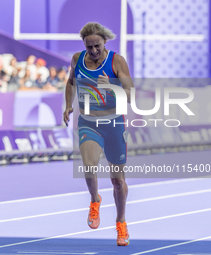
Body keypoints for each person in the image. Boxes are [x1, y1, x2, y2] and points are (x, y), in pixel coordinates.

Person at [63, 22, 134, 246]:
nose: (93, 51)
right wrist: (68, 105)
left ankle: (121, 222)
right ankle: (95, 200)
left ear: (105, 42)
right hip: (88, 122)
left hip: (113, 123)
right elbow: (70, 82)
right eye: (89, 47)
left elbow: (130, 95)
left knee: (117, 181)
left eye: (97, 46)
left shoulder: (117, 61)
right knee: (89, 165)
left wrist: (111, 85)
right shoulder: (77, 59)